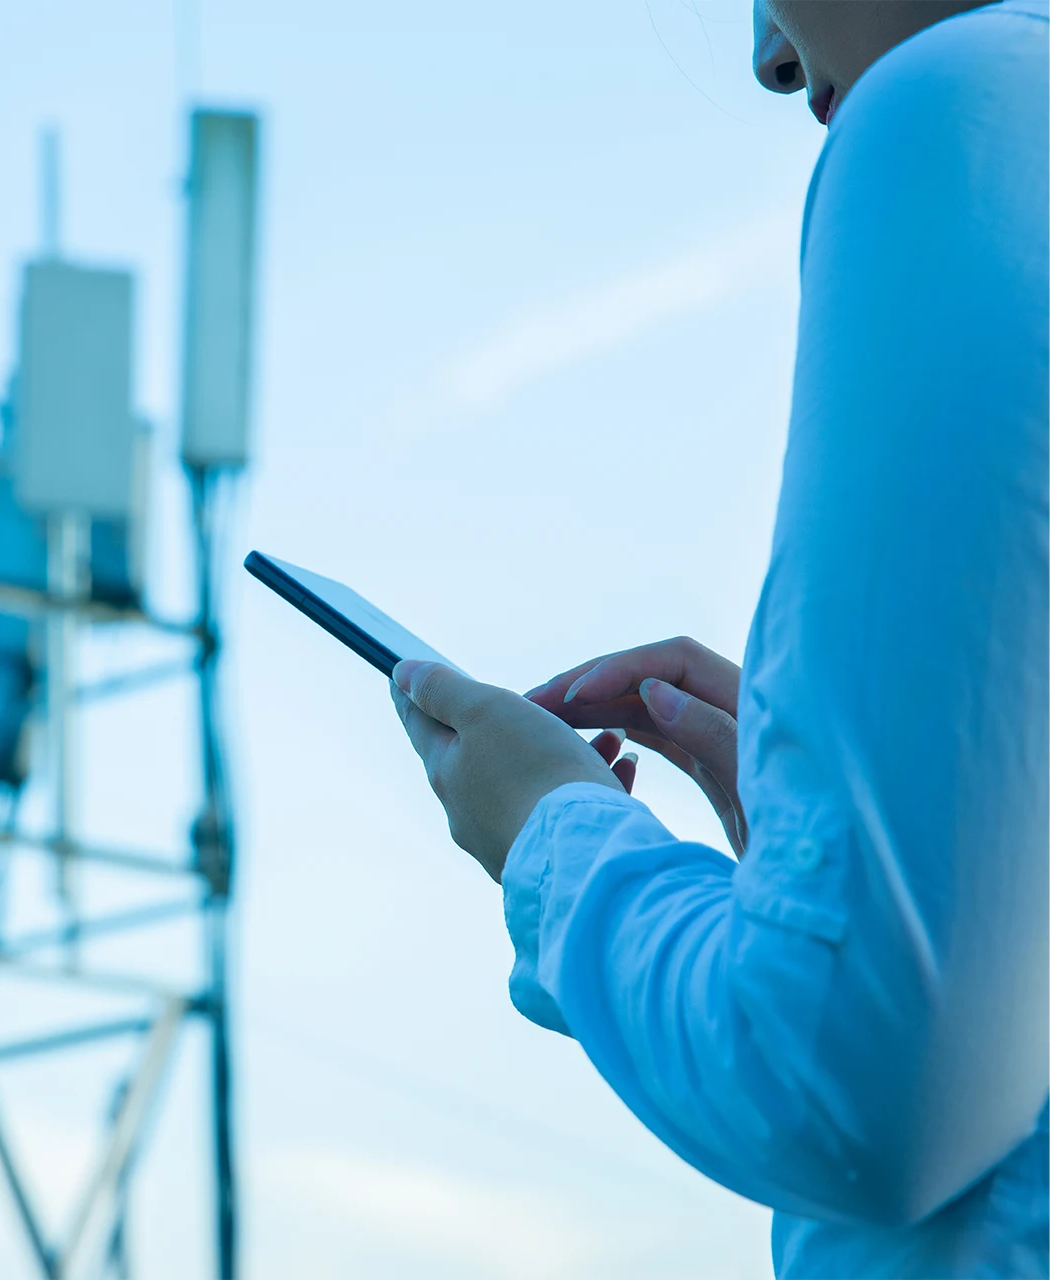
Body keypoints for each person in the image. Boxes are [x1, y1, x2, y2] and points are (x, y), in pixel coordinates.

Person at [389, 2, 1048, 1275]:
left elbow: (851, 1080)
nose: (769, 55)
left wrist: (554, 836)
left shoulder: (966, 112)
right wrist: (844, 854)